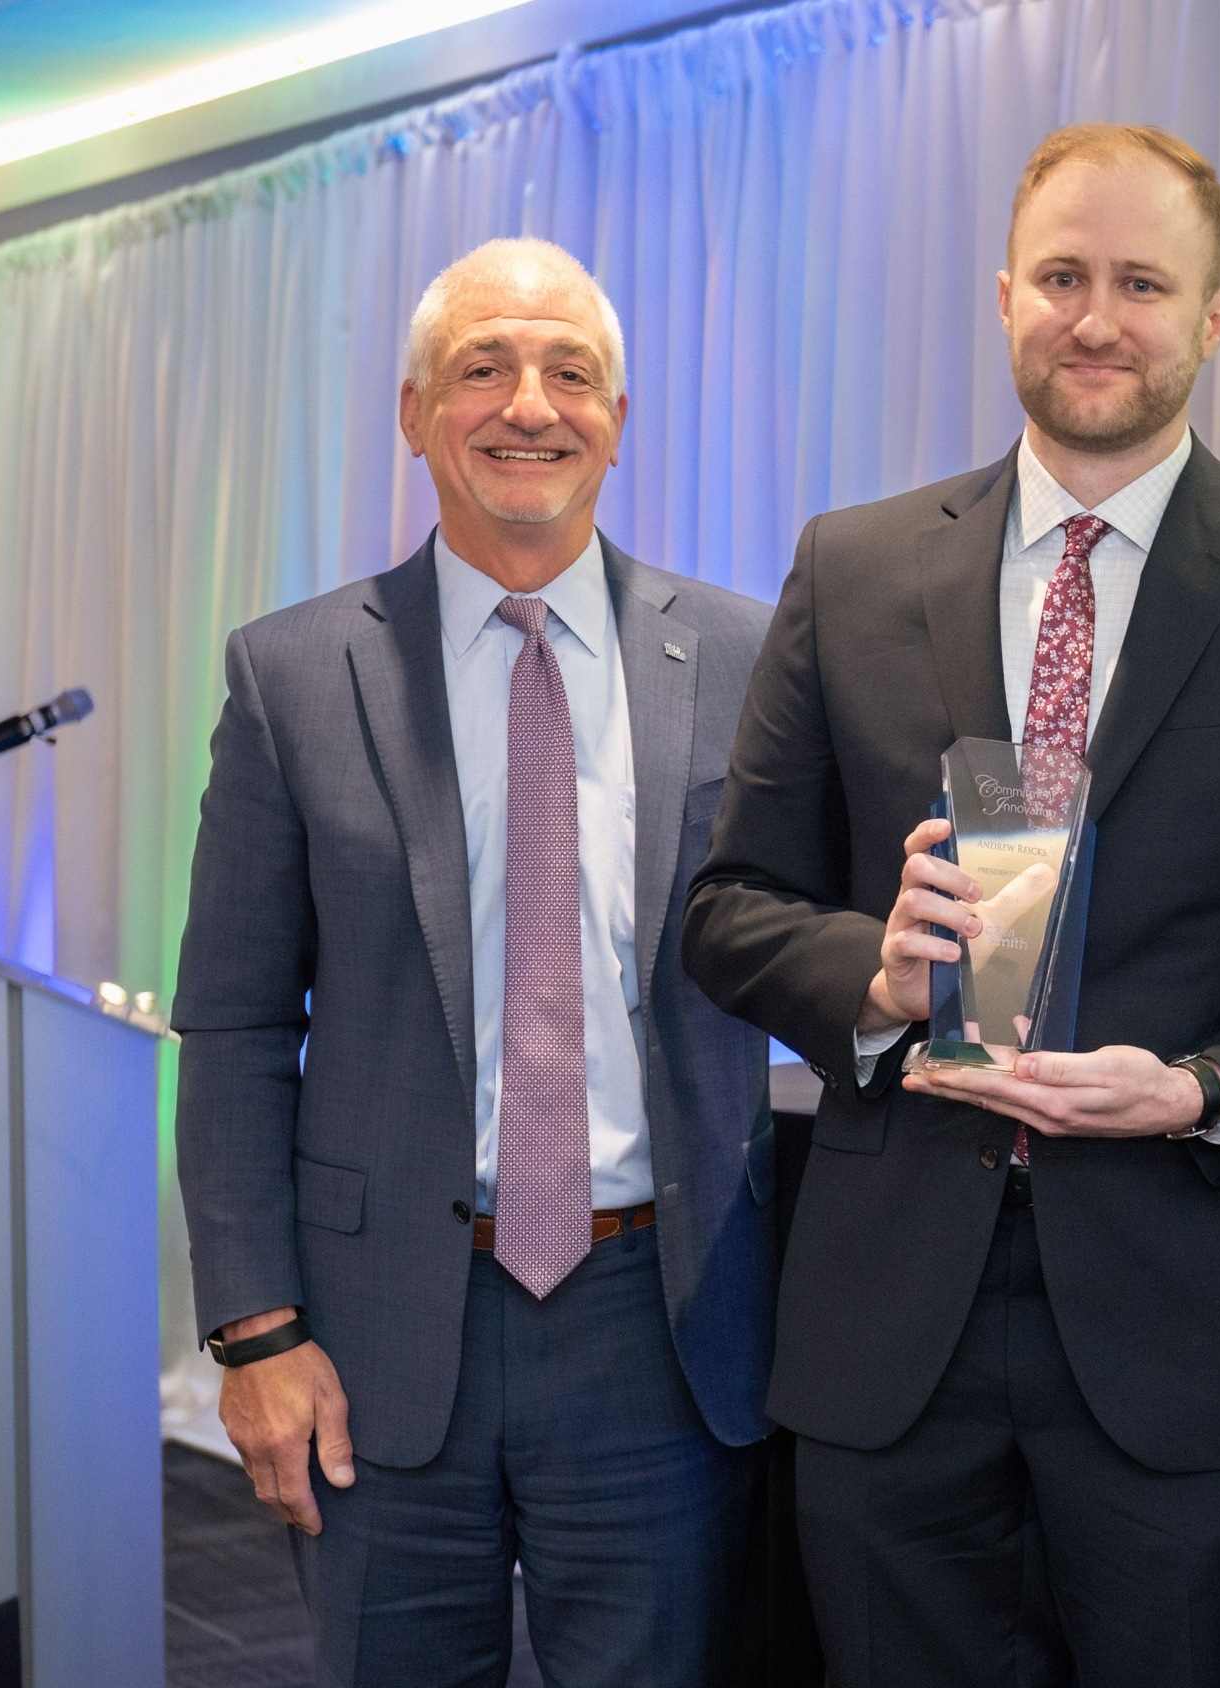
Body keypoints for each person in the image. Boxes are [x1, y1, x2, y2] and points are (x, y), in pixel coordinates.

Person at [681, 125, 1220, 1686]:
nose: (1096, 317)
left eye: (1139, 282)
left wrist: (1206, 1086)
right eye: (1060, 277)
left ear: (1215, 317)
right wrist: (883, 979)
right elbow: (729, 906)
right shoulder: (851, 568)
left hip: (1203, 1327)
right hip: (890, 1327)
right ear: (1002, 299)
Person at [171, 237, 776, 1688]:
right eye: (483, 369)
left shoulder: (752, 662)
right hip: (376, 1342)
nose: (531, 404)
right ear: (413, 410)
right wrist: (255, 1333)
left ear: (619, 422)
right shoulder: (294, 674)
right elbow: (238, 1025)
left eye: (574, 373)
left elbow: (806, 944)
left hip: (663, 1328)